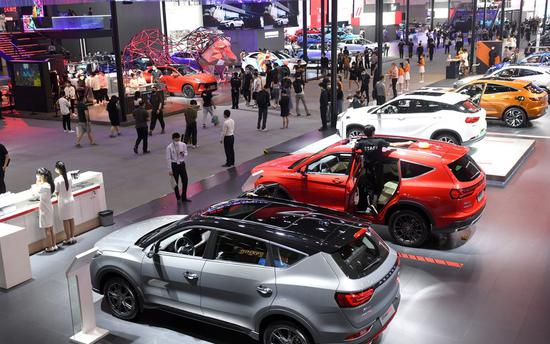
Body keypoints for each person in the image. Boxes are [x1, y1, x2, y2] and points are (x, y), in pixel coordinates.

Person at [353, 125, 412, 212]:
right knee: (379, 186)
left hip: (368, 170)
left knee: (370, 187)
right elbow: (393, 145)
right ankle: (376, 204)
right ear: (373, 132)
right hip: (378, 169)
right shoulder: (379, 142)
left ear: (365, 134)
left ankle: (371, 205)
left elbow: (354, 148)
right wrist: (407, 143)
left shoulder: (362, 143)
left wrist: (356, 143)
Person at [54, 161, 76, 245]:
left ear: (58, 169)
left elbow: (56, 192)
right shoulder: (69, 176)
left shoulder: (57, 179)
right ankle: (73, 236)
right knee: (71, 218)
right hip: (71, 200)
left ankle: (68, 238)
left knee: (65, 220)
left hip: (63, 202)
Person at [35, 168, 56, 252]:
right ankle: (54, 245)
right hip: (49, 207)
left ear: (42, 176)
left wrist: (37, 181)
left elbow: (35, 191)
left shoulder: (43, 186)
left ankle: (50, 247)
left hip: (44, 209)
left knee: (47, 229)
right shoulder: (49, 184)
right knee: (51, 228)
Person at [166, 132, 190, 202]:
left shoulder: (183, 144)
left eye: (178, 139)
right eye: (176, 140)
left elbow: (186, 153)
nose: (177, 141)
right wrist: (170, 170)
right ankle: (178, 197)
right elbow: (168, 159)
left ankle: (184, 196)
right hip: (174, 165)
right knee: (175, 182)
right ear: (173, 139)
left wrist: (183, 154)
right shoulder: (169, 147)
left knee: (185, 180)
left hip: (182, 164)